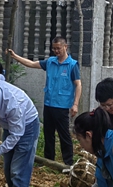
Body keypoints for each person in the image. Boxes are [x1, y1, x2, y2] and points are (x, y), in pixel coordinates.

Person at [8, 37, 81, 166]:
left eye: (58, 48)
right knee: (48, 134)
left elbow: (78, 85)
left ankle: (68, 163)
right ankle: (49, 161)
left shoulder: (72, 65)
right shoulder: (50, 62)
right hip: (49, 104)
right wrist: (15, 56)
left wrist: (75, 104)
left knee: (64, 135)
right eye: (54, 49)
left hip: (62, 106)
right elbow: (31, 64)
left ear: (66, 47)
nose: (56, 51)